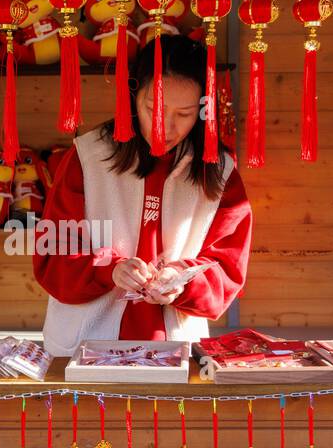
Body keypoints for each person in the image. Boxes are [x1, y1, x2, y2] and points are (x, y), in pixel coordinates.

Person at [33, 33, 252, 356]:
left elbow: (227, 268)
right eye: (154, 108)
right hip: (85, 349)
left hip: (175, 348)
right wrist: (107, 268)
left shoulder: (218, 171)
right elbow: (54, 253)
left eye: (185, 114)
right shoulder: (88, 157)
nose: (166, 127)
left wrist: (183, 280)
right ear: (133, 96)